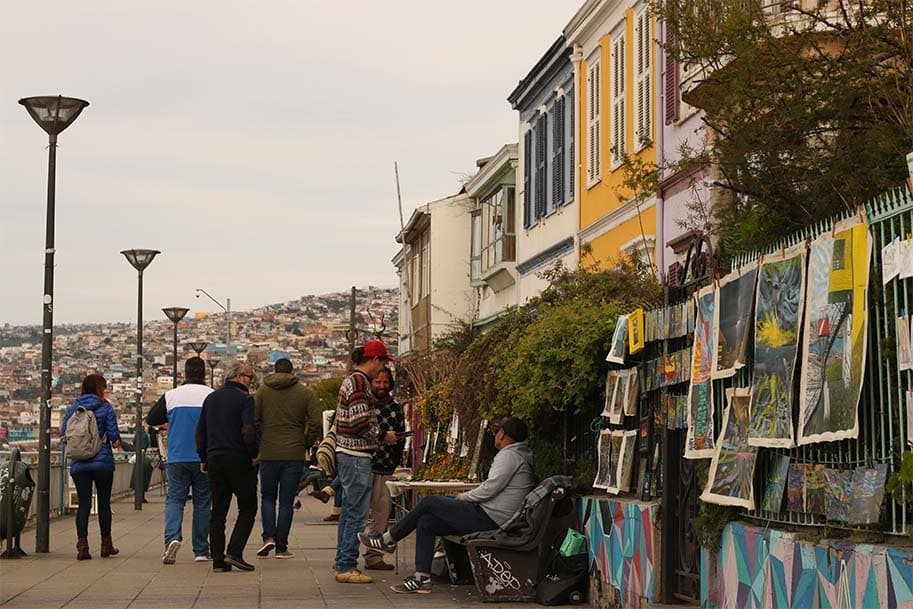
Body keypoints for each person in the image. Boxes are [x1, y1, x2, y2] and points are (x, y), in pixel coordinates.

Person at [360, 416, 536, 594]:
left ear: (503, 435)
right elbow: (493, 488)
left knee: (429, 502)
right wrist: (462, 498)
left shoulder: (509, 455)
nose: (496, 435)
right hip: (493, 515)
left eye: (498, 431)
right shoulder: (519, 454)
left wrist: (463, 497)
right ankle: (422, 578)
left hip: (490, 518)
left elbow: (490, 488)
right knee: (427, 522)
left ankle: (388, 540)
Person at [333, 340, 394, 584]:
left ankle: (342, 562)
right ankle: (347, 565)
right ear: (375, 360)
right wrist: (381, 435)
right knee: (357, 514)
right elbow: (359, 424)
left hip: (347, 454)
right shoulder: (359, 382)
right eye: (382, 363)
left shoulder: (351, 380)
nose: (382, 370)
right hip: (356, 456)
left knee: (349, 512)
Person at [146, 356, 213, 564]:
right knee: (203, 503)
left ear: (185, 373)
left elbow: (152, 419)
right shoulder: (211, 396)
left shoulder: (172, 395)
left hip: (177, 456)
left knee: (175, 500)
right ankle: (201, 550)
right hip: (204, 457)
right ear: (204, 373)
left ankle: (172, 540)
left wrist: (171, 419)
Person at [255, 358, 322, 559]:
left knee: (267, 497)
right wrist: (305, 442)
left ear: (275, 371)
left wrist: (261, 442)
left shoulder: (262, 391)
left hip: (268, 453)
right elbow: (316, 423)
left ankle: (268, 537)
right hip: (294, 453)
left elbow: (254, 421)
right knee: (286, 501)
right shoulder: (304, 392)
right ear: (292, 372)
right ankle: (281, 547)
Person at [195, 361, 259, 573]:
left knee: (218, 511)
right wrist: (254, 454)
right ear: (240, 377)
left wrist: (203, 457)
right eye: (250, 377)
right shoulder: (245, 400)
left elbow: (200, 432)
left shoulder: (211, 398)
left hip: (215, 459)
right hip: (239, 459)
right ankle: (234, 552)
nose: (251, 382)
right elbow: (248, 430)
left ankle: (218, 560)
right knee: (248, 506)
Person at [59, 374, 124, 561]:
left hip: (80, 463)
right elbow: (114, 436)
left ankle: (83, 546)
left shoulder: (74, 408)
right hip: (102, 462)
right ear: (99, 388)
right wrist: (115, 442)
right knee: (104, 503)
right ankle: (106, 544)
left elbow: (64, 434)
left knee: (84, 505)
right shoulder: (105, 407)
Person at [362, 367, 405, 571]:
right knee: (357, 514)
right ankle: (347, 556)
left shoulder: (396, 407)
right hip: (363, 465)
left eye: (385, 382)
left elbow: (400, 438)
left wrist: (394, 463)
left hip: (385, 468)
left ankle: (373, 557)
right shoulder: (364, 405)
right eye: (377, 382)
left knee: (381, 514)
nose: (381, 386)